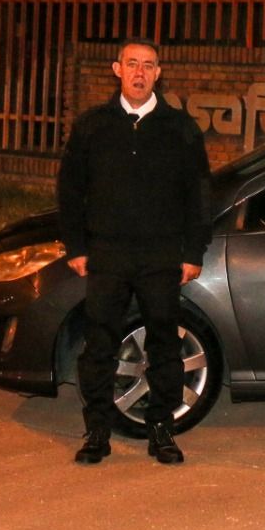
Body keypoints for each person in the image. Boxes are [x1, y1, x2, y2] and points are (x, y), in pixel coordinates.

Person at [57, 38, 212, 465]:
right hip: (107, 255)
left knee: (164, 344)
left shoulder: (180, 129)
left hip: (161, 257)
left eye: (148, 65)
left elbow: (199, 195)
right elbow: (71, 192)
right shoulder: (92, 126)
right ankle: (97, 432)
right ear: (117, 70)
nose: (140, 72)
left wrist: (192, 252)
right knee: (99, 346)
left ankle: (161, 430)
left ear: (159, 73)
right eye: (132, 64)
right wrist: (76, 246)